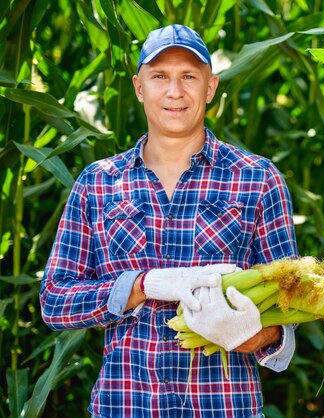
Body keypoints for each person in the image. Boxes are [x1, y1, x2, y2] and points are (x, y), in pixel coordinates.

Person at [40, 24, 298, 417]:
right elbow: (55, 301)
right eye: (160, 76)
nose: (174, 92)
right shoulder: (98, 183)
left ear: (210, 88)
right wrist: (140, 286)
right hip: (123, 407)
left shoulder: (258, 179)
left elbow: (290, 311)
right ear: (139, 87)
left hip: (225, 409)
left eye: (188, 77)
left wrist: (250, 334)